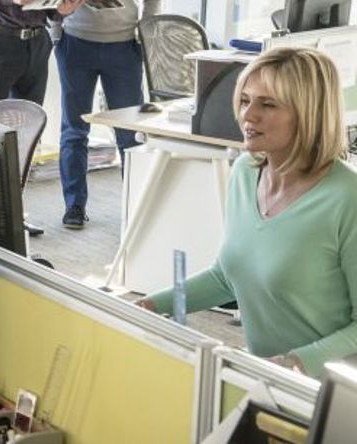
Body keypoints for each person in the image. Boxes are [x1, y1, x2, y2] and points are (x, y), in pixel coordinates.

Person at [137, 48, 357, 376]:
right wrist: (151, 305)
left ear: (309, 112)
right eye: (244, 100)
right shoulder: (244, 172)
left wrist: (294, 363)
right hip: (268, 378)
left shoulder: (346, 198)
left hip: (331, 391)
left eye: (267, 104)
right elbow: (227, 276)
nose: (247, 115)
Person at [54, 0, 163, 229]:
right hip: (76, 45)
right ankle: (74, 207)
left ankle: (135, 207)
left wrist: (144, 39)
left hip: (123, 48)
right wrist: (58, 36)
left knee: (129, 134)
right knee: (74, 130)